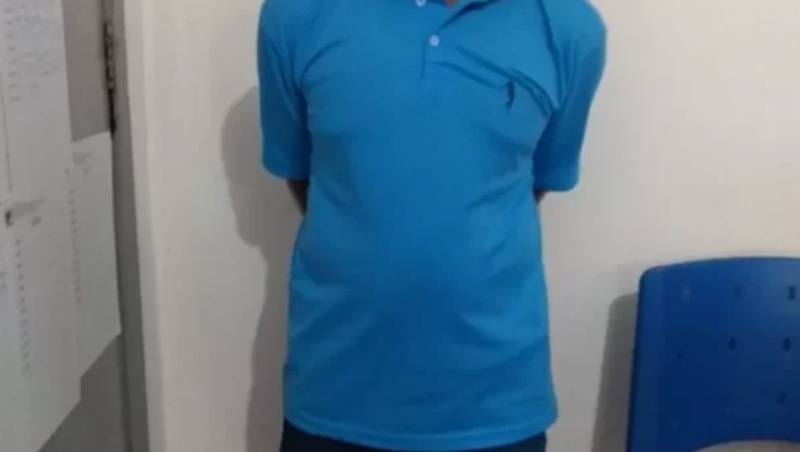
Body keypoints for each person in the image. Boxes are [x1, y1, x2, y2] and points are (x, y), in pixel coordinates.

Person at [257, 0, 606, 450]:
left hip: (496, 405)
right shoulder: (297, 13)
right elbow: (305, 174)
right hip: (334, 397)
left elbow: (532, 182)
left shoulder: (569, 28)